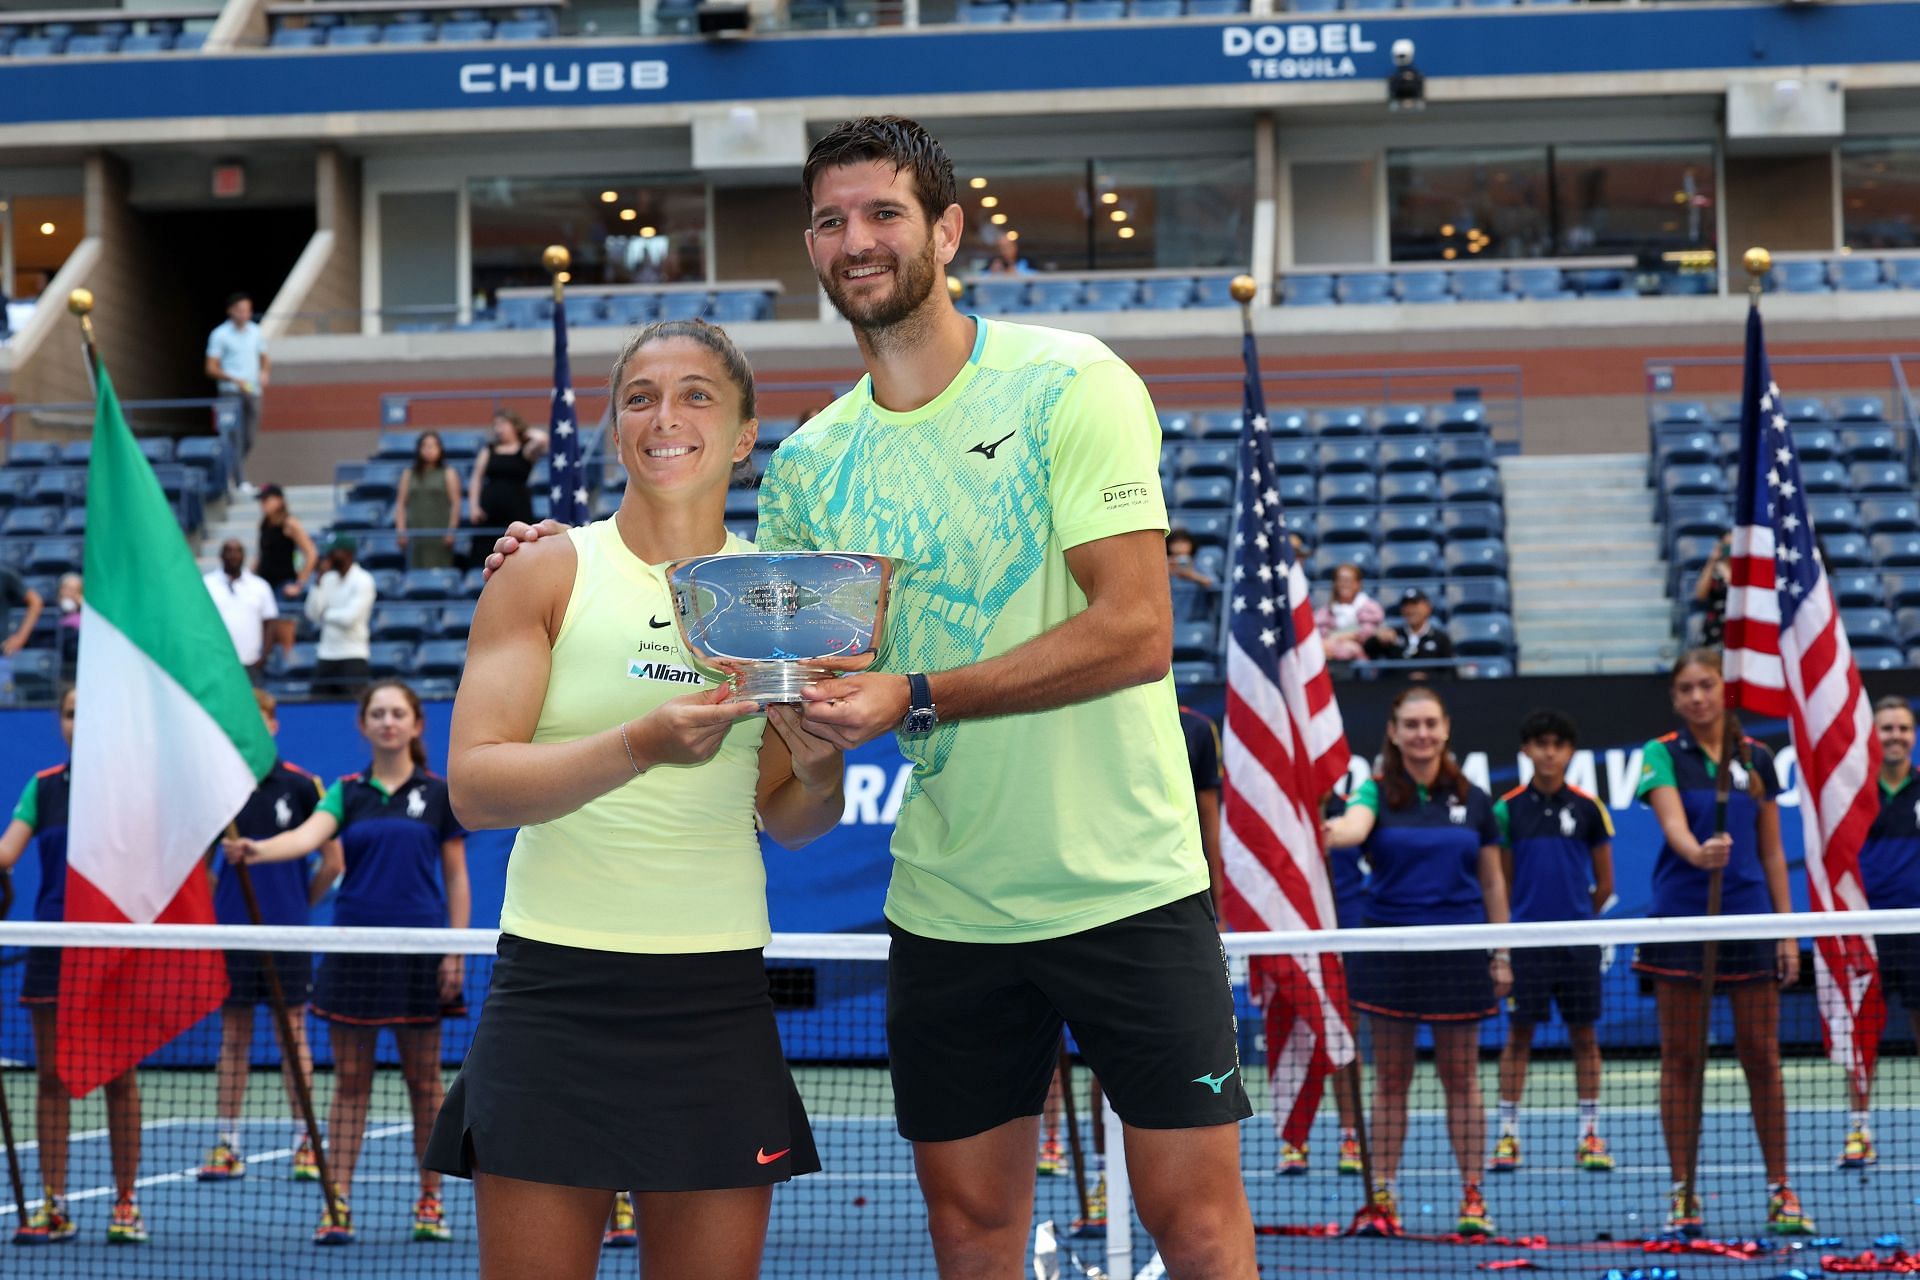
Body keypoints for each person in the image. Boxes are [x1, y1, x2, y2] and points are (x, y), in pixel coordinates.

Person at [484, 115, 1254, 1279]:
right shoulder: (806, 471)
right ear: (810, 243)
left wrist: (918, 693)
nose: (859, 239)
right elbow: (789, 679)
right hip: (947, 903)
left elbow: (1139, 630)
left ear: (946, 227)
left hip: (1126, 884)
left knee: (1195, 1228)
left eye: (885, 212)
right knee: (973, 1233)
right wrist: (567, 552)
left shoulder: (1071, 379)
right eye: (833, 220)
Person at [425, 319, 844, 1280]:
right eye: (642, 397)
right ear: (616, 430)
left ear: (744, 434)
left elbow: (793, 819)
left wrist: (821, 767)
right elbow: (478, 790)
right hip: (552, 994)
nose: (668, 416)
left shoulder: (781, 597)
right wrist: (638, 745)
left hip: (715, 998)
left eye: (699, 394)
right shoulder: (543, 572)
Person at [224, 680, 469, 1245]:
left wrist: (454, 948)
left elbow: (456, 877)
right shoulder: (345, 791)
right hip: (354, 952)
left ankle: (430, 1201)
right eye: (377, 713)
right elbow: (308, 835)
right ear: (363, 725)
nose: (387, 721)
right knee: (351, 1083)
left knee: (423, 1082)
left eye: (397, 713)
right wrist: (258, 850)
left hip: (420, 952)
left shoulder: (437, 793)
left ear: (415, 724)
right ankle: (338, 1203)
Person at [1632, 648, 1809, 1236]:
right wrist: (1697, 852)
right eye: (1685, 689)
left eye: (1706, 685)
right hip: (1684, 921)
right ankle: (1683, 1192)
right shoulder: (1660, 755)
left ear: (1722, 690)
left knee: (1762, 1056)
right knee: (1682, 1060)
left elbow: (1772, 854)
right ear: (1676, 698)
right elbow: (1675, 829)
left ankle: (1781, 1189)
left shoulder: (1755, 758)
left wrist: (1786, 930)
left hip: (1749, 920)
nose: (1697, 697)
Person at [1322, 685, 1510, 1237]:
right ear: (1395, 731)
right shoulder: (1376, 792)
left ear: (1446, 727)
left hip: (1458, 954)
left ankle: (1472, 1194)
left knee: (1461, 1077)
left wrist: (1502, 953)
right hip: (1389, 952)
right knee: (1392, 1080)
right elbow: (1352, 830)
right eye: (1411, 724)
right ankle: (1383, 1193)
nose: (1422, 733)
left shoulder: (1475, 799)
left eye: (1430, 723)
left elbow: (1494, 880)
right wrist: (1319, 828)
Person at [0, 687, 148, 1244]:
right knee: (52, 1079)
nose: (79, 721)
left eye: (91, 711)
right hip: (53, 948)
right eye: (70, 713)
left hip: (114, 951)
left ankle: (126, 1204)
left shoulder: (133, 788)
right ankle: (53, 1204)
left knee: (118, 1078)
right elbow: (6, 854)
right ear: (60, 723)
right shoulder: (43, 788)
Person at [199, 687, 341, 1184]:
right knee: (233, 1035)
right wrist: (225, 904)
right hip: (236, 936)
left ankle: (305, 1139)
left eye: (260, 720)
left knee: (293, 1033)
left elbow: (332, 861)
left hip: (286, 934)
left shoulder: (302, 786)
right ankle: (227, 1143)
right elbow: (202, 865)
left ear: (274, 725)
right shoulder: (218, 789)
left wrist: (299, 905)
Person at [1491, 709, 1615, 1176]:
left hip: (1576, 944)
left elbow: (1604, 884)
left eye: (1557, 743)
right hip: (1525, 944)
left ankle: (1590, 1133)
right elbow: (1501, 884)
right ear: (1526, 750)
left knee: (1585, 1036)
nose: (1548, 751)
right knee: (1518, 1037)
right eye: (1539, 743)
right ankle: (1507, 1134)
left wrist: (1576, 921)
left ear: (1569, 751)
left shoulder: (1588, 808)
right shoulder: (1507, 809)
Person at [1833, 695, 1920, 1170]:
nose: (1895, 736)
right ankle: (1859, 1130)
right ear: (1874, 735)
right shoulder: (1854, 795)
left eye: (1903, 728)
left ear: (1913, 735)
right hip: (1864, 930)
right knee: (1863, 1032)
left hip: (1918, 927)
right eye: (1886, 728)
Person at [205, 291, 268, 488]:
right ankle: (240, 481)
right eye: (240, 310)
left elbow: (265, 358)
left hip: (252, 390)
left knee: (249, 437)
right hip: (230, 391)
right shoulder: (219, 335)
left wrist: (264, 372)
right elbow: (211, 368)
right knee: (235, 437)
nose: (244, 314)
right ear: (231, 311)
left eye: (248, 310)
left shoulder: (256, 332)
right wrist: (233, 378)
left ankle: (228, 473)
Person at [305, 536, 375, 699]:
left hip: (353, 655)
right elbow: (311, 613)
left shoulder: (363, 580)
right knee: (316, 708)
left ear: (348, 554)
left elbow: (350, 618)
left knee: (354, 708)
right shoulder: (327, 579)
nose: (328, 556)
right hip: (326, 654)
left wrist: (324, 615)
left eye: (333, 552)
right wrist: (318, 581)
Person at [254, 484, 317, 664]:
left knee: (284, 631)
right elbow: (260, 556)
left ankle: (289, 667)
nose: (263, 504)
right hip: (264, 584)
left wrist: (299, 584)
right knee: (263, 629)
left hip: (283, 584)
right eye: (262, 501)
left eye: (267, 499)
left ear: (279, 500)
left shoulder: (290, 523)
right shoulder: (263, 524)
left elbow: (311, 553)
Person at [204, 537, 278, 683]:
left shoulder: (260, 586)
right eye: (229, 551)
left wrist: (264, 655)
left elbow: (270, 621)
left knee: (254, 704)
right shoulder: (207, 584)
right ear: (221, 555)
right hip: (218, 662)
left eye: (238, 551)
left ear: (244, 556)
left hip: (251, 662)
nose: (233, 555)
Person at [467, 410, 545, 543]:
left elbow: (542, 439)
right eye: (496, 425)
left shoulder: (525, 450)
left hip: (518, 506)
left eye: (503, 424)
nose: (498, 429)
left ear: (514, 425)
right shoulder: (489, 449)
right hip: (490, 508)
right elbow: (476, 478)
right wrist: (474, 506)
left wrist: (523, 431)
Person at [396, 430, 463, 571]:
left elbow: (456, 504)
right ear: (419, 449)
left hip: (440, 535)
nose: (429, 450)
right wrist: (401, 531)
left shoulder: (448, 473)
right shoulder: (408, 474)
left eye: (433, 446)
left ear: (440, 449)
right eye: (425, 446)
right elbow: (401, 504)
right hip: (416, 535)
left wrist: (451, 531)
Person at [1364, 587, 1455, 674]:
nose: (1410, 610)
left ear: (1428, 608)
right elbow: (1368, 652)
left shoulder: (1440, 638)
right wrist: (1377, 639)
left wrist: (1428, 678)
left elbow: (1450, 673)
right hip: (1396, 688)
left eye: (1415, 604)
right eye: (1406, 605)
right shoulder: (1393, 634)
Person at [1314, 563, 1382, 663]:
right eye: (1340, 580)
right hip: (1331, 660)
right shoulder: (1325, 611)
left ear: (1358, 584)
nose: (1344, 584)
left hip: (1363, 663)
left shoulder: (1370, 609)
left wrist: (1336, 637)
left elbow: (1368, 633)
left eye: (1348, 580)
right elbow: (1320, 635)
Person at [1693, 532, 1732, 647]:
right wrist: (1712, 560)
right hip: (1716, 625)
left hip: (1739, 623)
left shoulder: (1746, 568)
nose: (1730, 550)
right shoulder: (1713, 569)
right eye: (1727, 546)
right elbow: (1700, 595)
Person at [53, 573, 81, 674]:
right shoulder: (52, 609)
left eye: (74, 590)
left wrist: (82, 606)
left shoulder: (85, 613)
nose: (70, 593)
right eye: (67, 589)